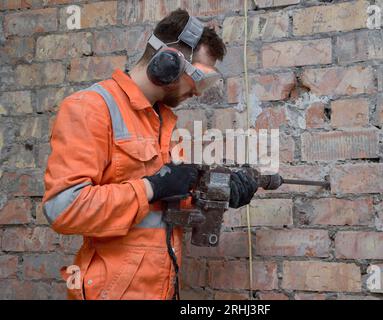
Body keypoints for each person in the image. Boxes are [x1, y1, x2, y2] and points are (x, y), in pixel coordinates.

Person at [42, 9, 258, 300]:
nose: (197, 93)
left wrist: (218, 190)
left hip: (160, 289)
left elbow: (166, 201)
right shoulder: (91, 108)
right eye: (199, 80)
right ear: (168, 63)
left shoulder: (164, 123)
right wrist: (150, 187)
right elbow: (63, 209)